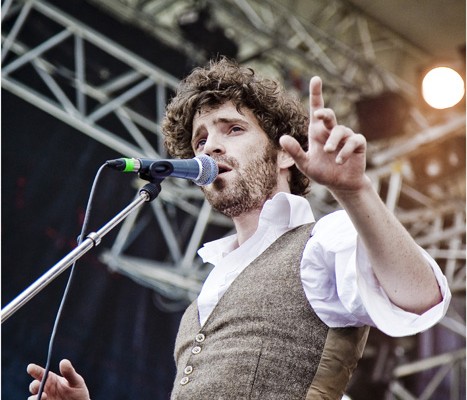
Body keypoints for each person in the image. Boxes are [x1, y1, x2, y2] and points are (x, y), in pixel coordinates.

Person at [28, 58, 451, 400]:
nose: (210, 146)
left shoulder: (322, 241)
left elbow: (421, 298)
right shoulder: (211, 286)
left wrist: (355, 191)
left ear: (285, 154)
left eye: (233, 129)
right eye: (199, 140)